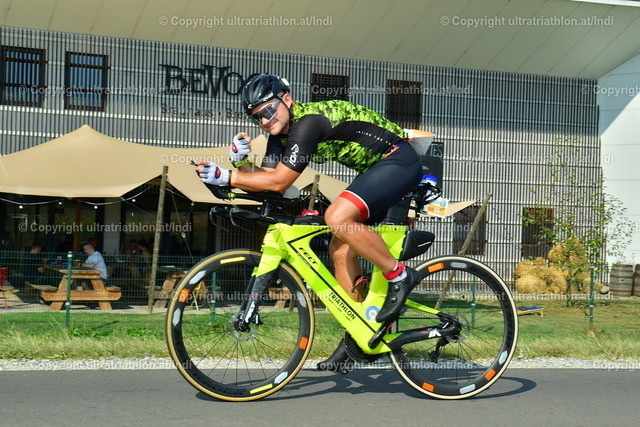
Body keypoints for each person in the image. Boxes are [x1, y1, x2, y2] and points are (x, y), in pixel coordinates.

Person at [196, 74, 423, 371]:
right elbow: (269, 182)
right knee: (340, 250)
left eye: (268, 111)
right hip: (375, 170)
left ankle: (400, 275)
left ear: (287, 99)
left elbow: (280, 182)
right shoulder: (280, 136)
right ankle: (359, 333)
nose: (264, 121)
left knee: (337, 217)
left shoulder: (308, 123)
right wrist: (241, 163)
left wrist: (227, 176)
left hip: (397, 160)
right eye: (256, 118)